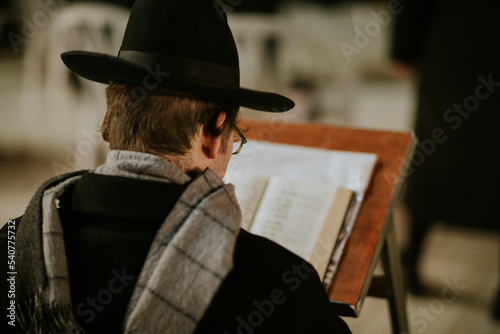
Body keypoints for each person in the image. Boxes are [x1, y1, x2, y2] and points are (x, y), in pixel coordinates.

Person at [0, 0, 352, 333]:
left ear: (106, 122)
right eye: (236, 141)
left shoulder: (15, 248)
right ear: (212, 135)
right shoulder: (280, 287)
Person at [391, 0, 500, 318]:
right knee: (438, 155)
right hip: (454, 53)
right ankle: (409, 261)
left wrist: (403, 50)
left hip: (452, 51)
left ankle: (409, 261)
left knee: (438, 155)